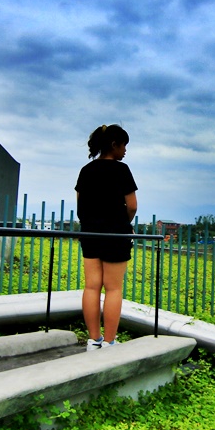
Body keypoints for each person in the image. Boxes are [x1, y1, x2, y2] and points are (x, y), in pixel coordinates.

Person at [75, 124, 137, 351]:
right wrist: (123, 223)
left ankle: (94, 340)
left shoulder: (86, 170)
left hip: (90, 233)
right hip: (116, 234)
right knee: (113, 288)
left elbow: (80, 203)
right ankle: (110, 341)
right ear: (114, 145)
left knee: (91, 286)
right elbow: (131, 206)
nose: (125, 151)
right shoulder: (122, 170)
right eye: (124, 145)